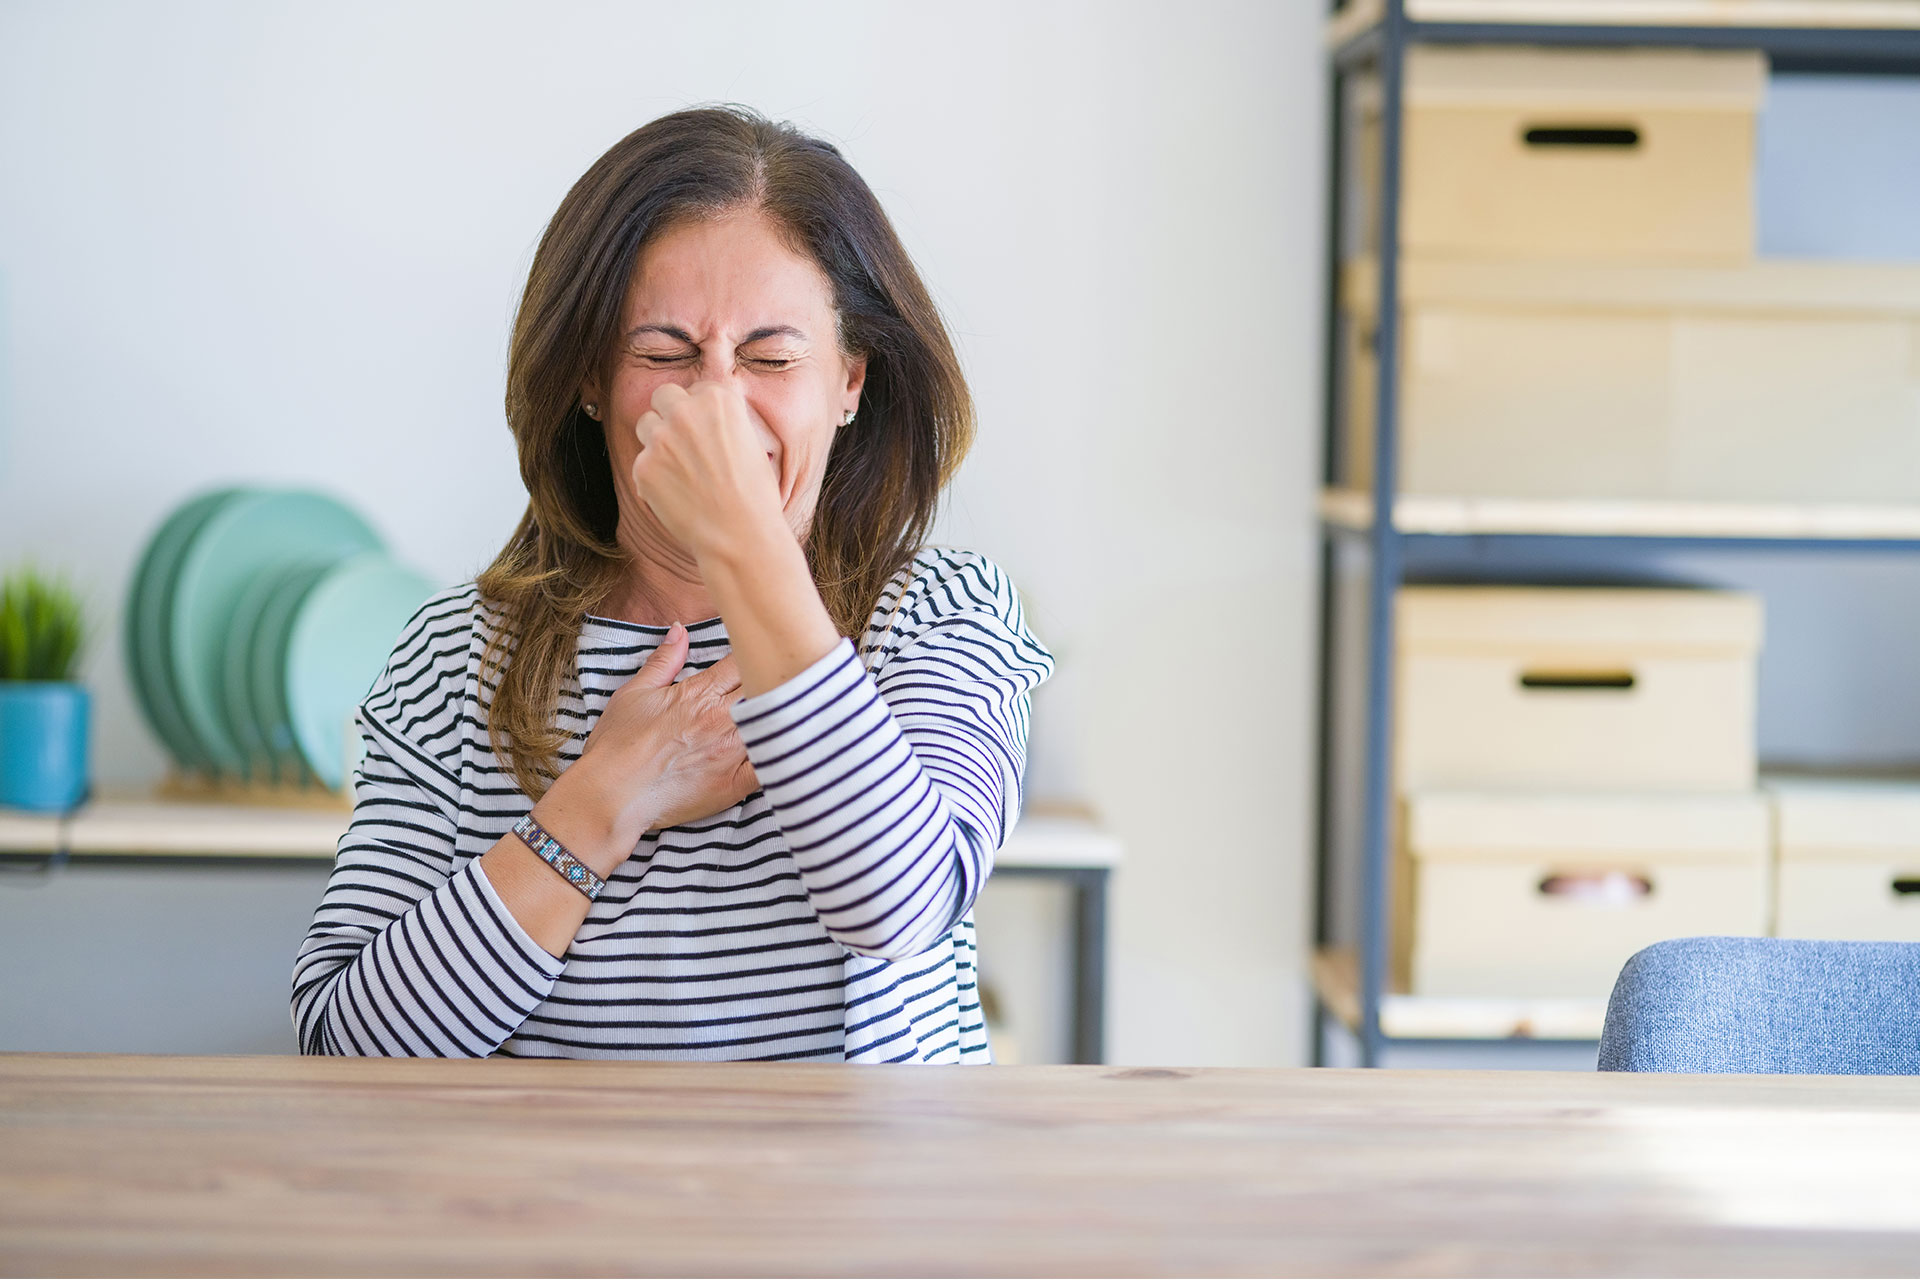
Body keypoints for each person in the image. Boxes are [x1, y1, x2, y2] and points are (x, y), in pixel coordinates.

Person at [291, 106, 1053, 1062]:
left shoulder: (940, 614)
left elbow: (899, 905)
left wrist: (742, 544)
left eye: (772, 357)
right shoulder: (455, 657)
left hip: (855, 1210)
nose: (717, 404)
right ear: (589, 380)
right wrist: (603, 800)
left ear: (851, 380)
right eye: (663, 354)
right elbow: (348, 1048)